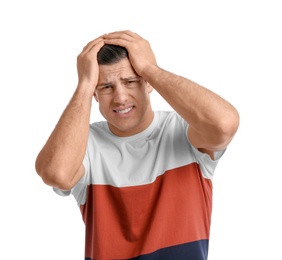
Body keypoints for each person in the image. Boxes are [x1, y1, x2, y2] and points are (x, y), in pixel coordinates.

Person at [35, 30, 240, 260]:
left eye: (130, 81)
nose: (120, 97)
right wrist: (84, 84)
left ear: (148, 83)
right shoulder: (85, 144)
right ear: (95, 93)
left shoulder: (183, 131)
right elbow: (57, 174)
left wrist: (151, 70)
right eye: (105, 87)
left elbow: (224, 124)